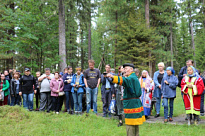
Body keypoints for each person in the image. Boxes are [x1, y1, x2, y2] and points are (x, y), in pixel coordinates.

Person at [107, 63, 145, 136]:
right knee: (135, 125)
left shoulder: (131, 78)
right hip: (134, 103)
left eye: (126, 69)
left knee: (130, 125)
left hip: (132, 104)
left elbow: (124, 81)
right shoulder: (133, 77)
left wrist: (112, 76)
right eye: (124, 69)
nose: (124, 70)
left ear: (131, 69)